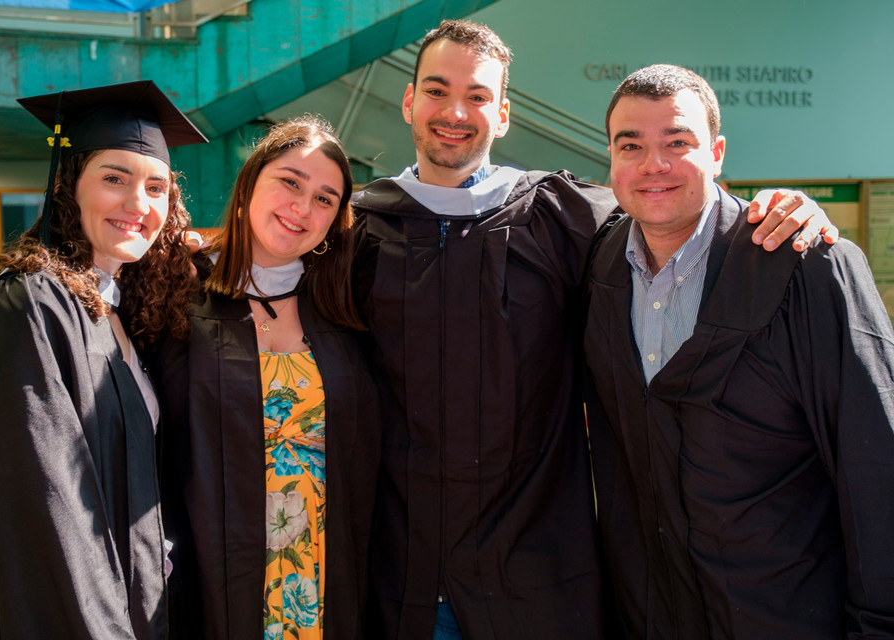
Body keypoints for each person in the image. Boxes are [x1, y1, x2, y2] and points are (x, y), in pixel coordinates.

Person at [351, 20, 837, 639]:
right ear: (408, 101)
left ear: (503, 114)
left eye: (477, 95)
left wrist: (782, 210)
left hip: (535, 566)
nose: (455, 111)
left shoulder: (562, 215)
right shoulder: (356, 233)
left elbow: (672, 207)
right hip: (399, 563)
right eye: (437, 90)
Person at [583, 64, 894, 638]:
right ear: (610, 157)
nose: (654, 165)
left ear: (718, 152)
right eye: (632, 145)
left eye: (678, 142)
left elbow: (875, 464)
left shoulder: (804, 265)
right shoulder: (599, 264)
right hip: (654, 614)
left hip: (788, 615)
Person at [0, 80, 207, 639]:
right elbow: (51, 506)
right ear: (67, 183)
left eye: (156, 188)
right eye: (114, 178)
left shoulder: (122, 309)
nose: (138, 205)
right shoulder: (30, 304)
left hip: (137, 604)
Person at [152, 115, 380, 639]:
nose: (303, 208)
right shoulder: (178, 297)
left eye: (326, 198)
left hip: (324, 582)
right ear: (251, 182)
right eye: (290, 183)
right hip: (211, 581)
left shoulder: (345, 310)